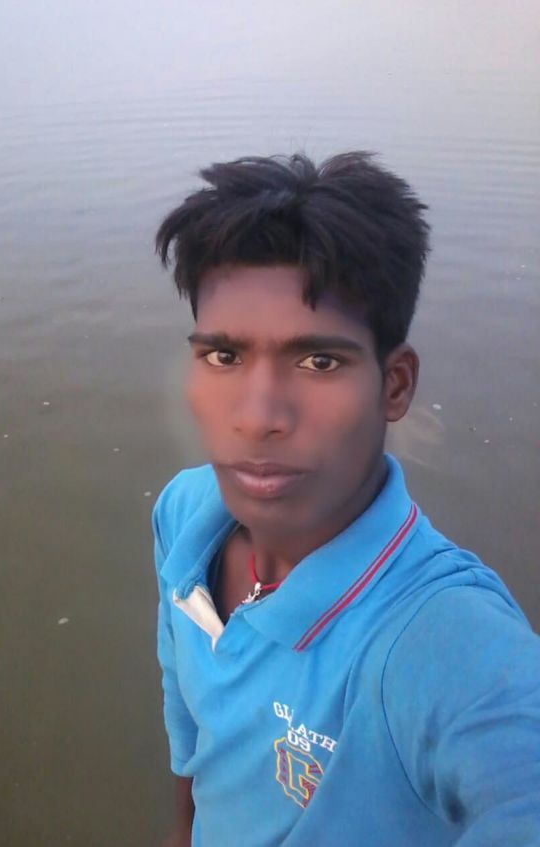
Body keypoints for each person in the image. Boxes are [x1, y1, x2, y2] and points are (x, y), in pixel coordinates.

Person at [151, 152, 540, 847]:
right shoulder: (183, 515)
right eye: (223, 356)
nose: (257, 417)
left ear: (395, 385)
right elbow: (191, 732)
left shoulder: (435, 635)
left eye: (319, 361)